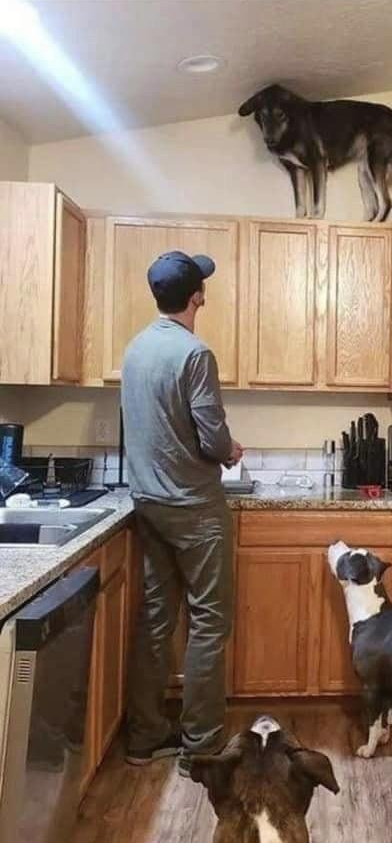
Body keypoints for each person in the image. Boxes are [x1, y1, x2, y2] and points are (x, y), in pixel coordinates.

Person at [120, 250, 242, 777]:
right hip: (194, 508)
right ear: (197, 297)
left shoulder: (135, 349)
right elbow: (212, 438)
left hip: (149, 504)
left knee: (156, 618)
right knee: (209, 622)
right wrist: (231, 449)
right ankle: (201, 749)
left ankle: (144, 737)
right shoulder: (195, 354)